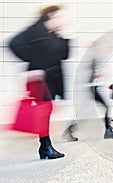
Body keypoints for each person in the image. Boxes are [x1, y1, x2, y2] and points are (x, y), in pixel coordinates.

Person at [9, 5, 69, 159]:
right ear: (50, 15)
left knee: (46, 111)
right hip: (39, 79)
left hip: (53, 77)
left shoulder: (55, 35)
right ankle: (46, 147)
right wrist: (33, 62)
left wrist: (65, 36)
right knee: (44, 111)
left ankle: (45, 147)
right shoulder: (35, 30)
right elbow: (13, 44)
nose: (61, 20)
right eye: (59, 16)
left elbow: (65, 55)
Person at [90, 42, 113, 139]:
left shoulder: (98, 59)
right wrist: (101, 74)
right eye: (98, 46)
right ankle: (108, 131)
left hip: (98, 87)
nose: (100, 48)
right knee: (107, 108)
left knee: (90, 111)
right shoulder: (94, 59)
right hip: (94, 88)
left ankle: (108, 130)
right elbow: (92, 75)